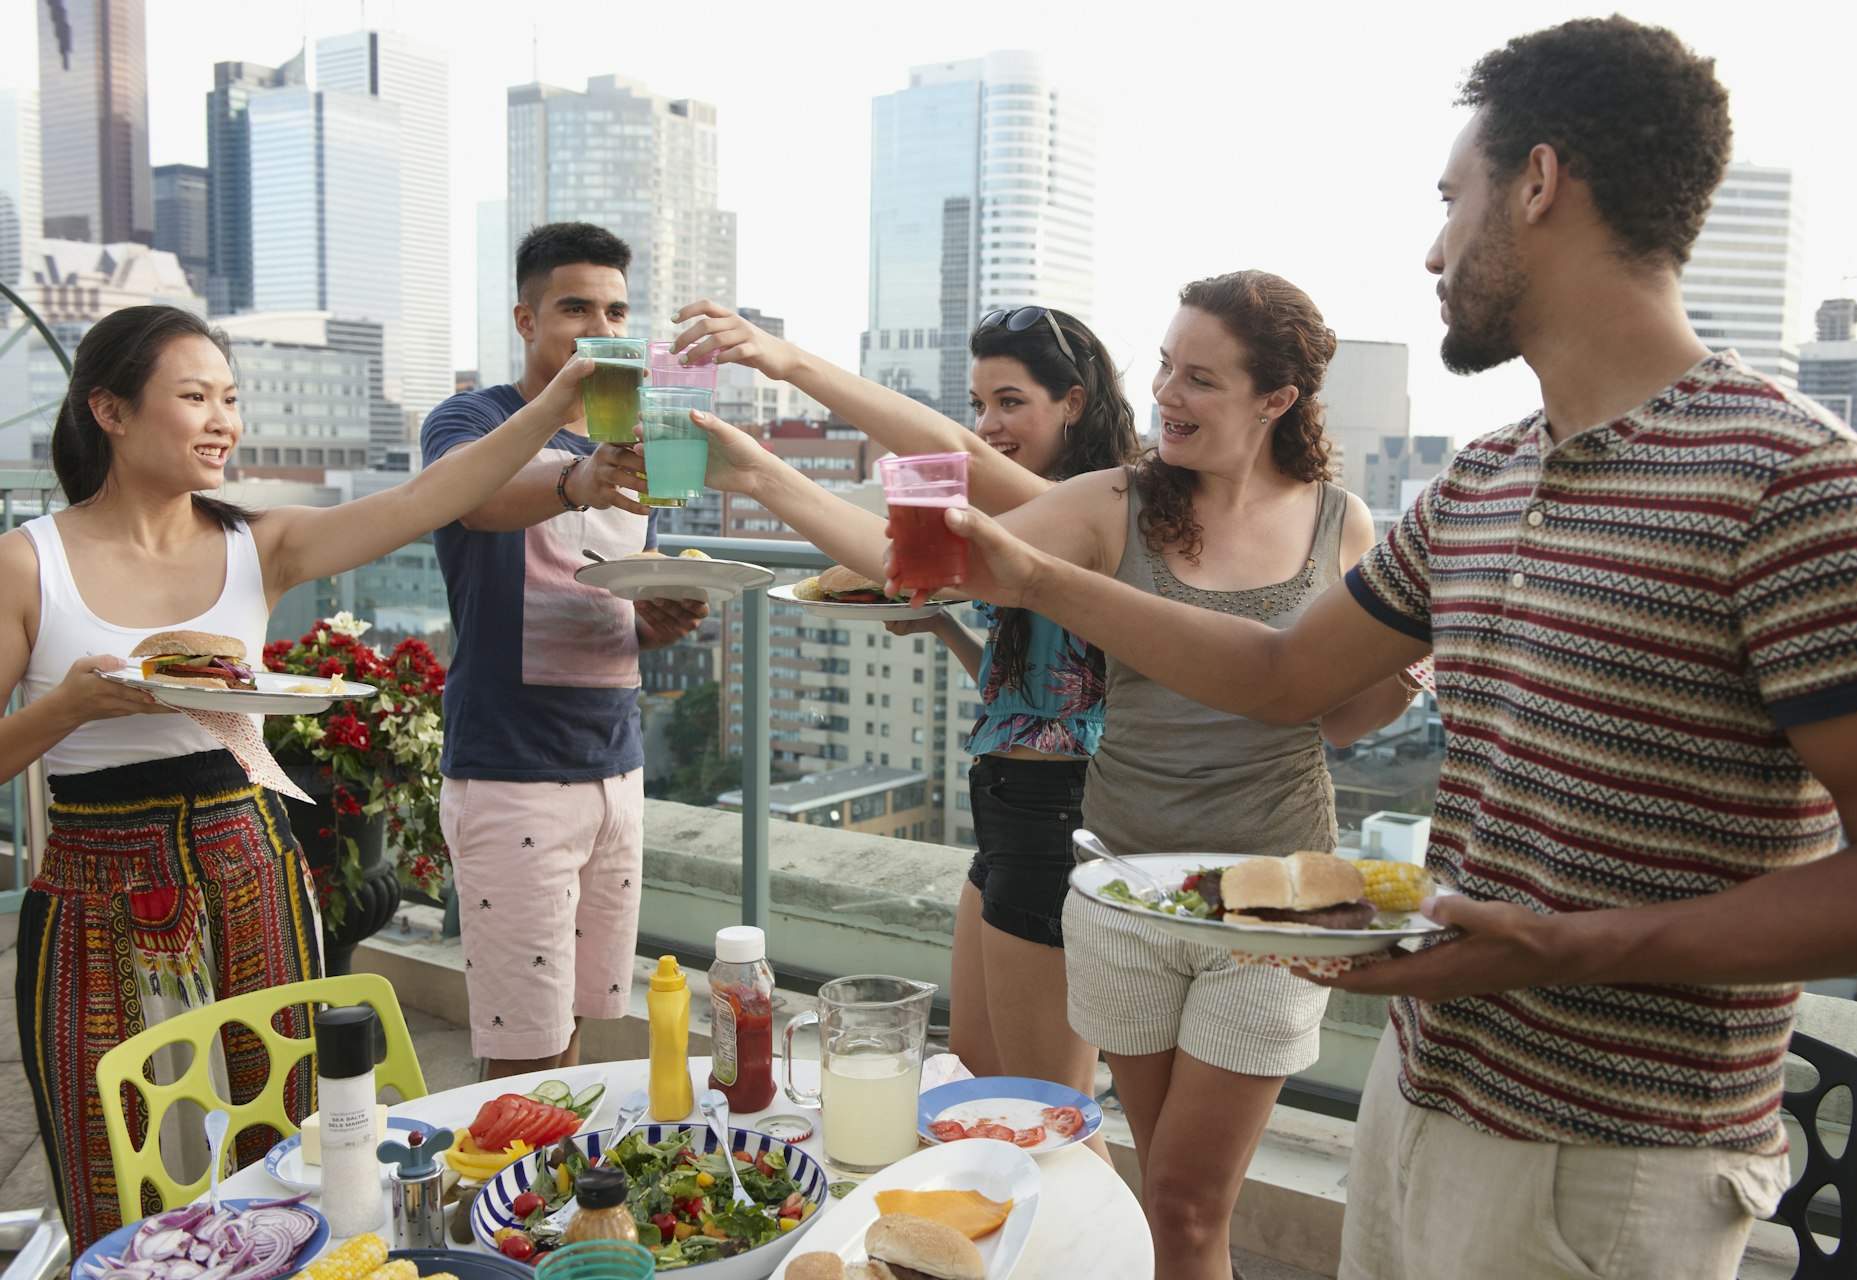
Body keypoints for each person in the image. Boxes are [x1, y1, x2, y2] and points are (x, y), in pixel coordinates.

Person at [906, 17, 1857, 1280]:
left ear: (1539, 185)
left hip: (1611, 1160)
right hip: (1421, 1083)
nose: (1433, 245)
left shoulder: (1799, 483)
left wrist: (1572, 945)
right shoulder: (1482, 479)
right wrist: (1036, 570)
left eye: (1455, 198)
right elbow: (1283, 675)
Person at [674, 274, 1414, 1280]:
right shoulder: (1124, 503)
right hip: (1125, 889)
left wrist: (1406, 670)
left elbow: (1341, 713)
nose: (1167, 393)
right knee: (1151, 1187)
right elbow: (933, 543)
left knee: (1192, 1199)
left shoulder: (1343, 523)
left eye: (1199, 377)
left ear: (1277, 397)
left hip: (1263, 904)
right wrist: (765, 466)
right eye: (1163, 366)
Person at [1, 304, 595, 1248]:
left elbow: (434, 496)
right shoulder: (29, 563)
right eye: (193, 397)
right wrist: (67, 709)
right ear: (108, 411)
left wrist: (560, 397)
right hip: (96, 896)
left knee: (287, 1164)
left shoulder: (258, 543)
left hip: (254, 875)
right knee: (124, 1178)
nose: (221, 421)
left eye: (229, 399)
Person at [671, 301, 1137, 1158]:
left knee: (1052, 1117)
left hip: (1060, 816)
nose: (988, 425)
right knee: (981, 1081)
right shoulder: (1040, 518)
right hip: (1006, 803)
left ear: (1072, 403)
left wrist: (786, 368)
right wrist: (953, 632)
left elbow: (938, 468)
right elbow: (1031, 702)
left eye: (1011, 402)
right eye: (980, 404)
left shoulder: (1108, 508)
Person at [421, 222, 707, 1080]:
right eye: (575, 306)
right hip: (511, 776)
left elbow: (603, 600)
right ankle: (500, 1206)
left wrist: (652, 622)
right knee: (521, 1061)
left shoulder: (635, 440)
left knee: (577, 1048)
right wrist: (573, 480)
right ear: (525, 319)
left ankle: (555, 1213)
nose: (601, 326)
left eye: (616, 310)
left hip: (615, 771)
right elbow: (470, 498)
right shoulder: (473, 419)